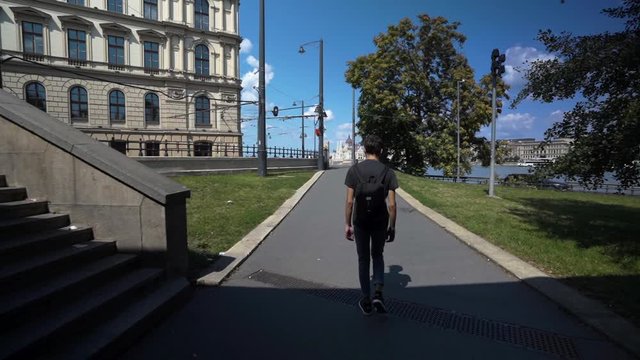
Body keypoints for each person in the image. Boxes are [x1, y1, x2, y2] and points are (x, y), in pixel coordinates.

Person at [344, 135, 398, 315]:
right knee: (378, 255)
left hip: (360, 221)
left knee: (363, 259)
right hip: (380, 221)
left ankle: (366, 299)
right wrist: (392, 226)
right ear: (380, 151)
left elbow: (350, 202)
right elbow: (391, 205)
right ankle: (378, 293)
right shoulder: (388, 172)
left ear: (365, 150)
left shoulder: (354, 171)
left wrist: (347, 224)